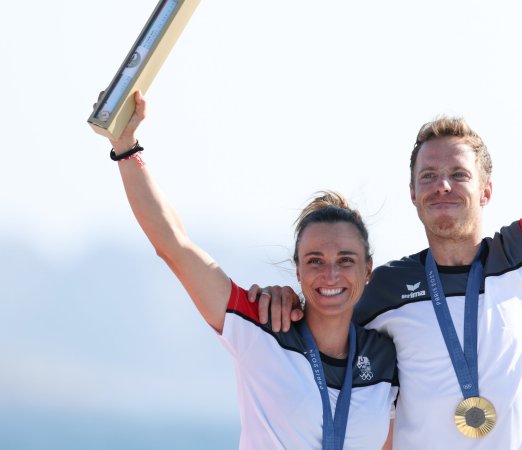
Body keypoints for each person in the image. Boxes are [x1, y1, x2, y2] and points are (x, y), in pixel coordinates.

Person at [252, 0, 522, 448]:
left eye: (459, 175)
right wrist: (282, 298)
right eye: (428, 177)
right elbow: (320, 332)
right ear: (412, 193)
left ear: (486, 190)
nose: (443, 187)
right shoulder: (385, 287)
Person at [100, 92, 399, 449]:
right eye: (315, 260)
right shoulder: (260, 327)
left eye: (345, 261)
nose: (330, 274)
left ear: (368, 270)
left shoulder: (386, 356)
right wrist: (126, 147)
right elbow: (174, 246)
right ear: (298, 270)